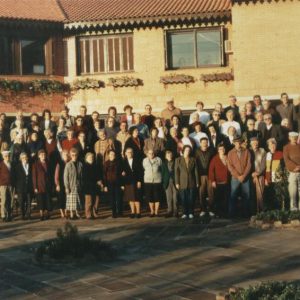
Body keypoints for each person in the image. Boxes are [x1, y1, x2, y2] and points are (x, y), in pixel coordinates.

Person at [227, 137, 252, 218]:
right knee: (233, 195)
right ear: (234, 143)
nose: (238, 144)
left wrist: (244, 175)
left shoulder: (246, 151)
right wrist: (238, 176)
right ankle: (232, 214)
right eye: (236, 142)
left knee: (246, 195)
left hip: (245, 177)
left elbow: (249, 165)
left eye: (240, 142)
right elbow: (230, 166)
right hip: (235, 178)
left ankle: (246, 214)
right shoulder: (230, 153)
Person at [175, 145, 199, 219]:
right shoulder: (178, 160)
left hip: (192, 181)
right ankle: (185, 212)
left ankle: (191, 212)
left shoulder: (193, 159)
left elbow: (196, 171)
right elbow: (176, 172)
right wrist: (177, 182)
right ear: (183, 151)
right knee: (183, 198)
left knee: (191, 198)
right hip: (182, 182)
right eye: (186, 150)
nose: (187, 152)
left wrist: (197, 181)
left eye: (189, 150)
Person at [209, 143, 230, 218]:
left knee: (226, 198)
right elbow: (211, 171)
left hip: (227, 181)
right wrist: (213, 181)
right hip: (218, 182)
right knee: (218, 199)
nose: (222, 150)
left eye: (223, 149)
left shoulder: (227, 157)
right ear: (218, 150)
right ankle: (218, 213)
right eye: (220, 149)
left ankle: (225, 213)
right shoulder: (215, 159)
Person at [195, 137, 215, 217]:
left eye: (206, 142)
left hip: (210, 175)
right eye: (203, 142)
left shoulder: (211, 151)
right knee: (201, 193)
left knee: (211, 193)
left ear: (208, 143)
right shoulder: (196, 151)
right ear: (200, 143)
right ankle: (203, 209)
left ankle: (211, 209)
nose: (204, 144)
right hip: (200, 175)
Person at [121, 148, 143, 218]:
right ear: (125, 153)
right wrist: (122, 174)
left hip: (135, 181)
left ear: (132, 153)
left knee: (136, 197)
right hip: (127, 181)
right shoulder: (123, 162)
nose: (129, 153)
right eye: (128, 152)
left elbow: (140, 171)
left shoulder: (137, 160)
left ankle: (138, 212)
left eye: (130, 152)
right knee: (130, 198)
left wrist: (139, 181)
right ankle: (132, 212)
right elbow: (121, 172)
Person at [265, 138, 284, 210]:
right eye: (270, 146)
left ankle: (278, 211)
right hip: (269, 179)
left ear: (276, 146)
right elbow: (265, 168)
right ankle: (270, 212)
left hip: (278, 179)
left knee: (278, 196)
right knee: (270, 196)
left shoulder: (280, 154)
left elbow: (283, 166)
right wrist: (265, 179)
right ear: (268, 147)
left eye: (274, 145)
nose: (272, 147)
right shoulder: (267, 155)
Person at [32, 149, 51, 221]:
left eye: (44, 155)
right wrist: (35, 187)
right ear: (39, 156)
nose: (43, 156)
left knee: (47, 200)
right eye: (42, 155)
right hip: (39, 185)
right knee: (41, 201)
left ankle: (47, 214)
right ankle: (41, 215)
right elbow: (34, 176)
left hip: (47, 185)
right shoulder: (35, 164)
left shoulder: (48, 163)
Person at [64, 148, 83, 220]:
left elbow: (81, 175)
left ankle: (77, 213)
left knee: (77, 200)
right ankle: (72, 214)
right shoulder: (68, 165)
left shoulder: (80, 164)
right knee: (71, 200)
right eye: (73, 155)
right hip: (71, 185)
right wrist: (67, 187)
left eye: (75, 155)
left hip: (78, 184)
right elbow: (65, 177)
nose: (74, 156)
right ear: (70, 156)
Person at [143, 149, 163, 217]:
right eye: (149, 153)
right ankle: (152, 211)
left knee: (157, 197)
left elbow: (161, 168)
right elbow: (144, 168)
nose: (151, 154)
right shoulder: (144, 160)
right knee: (150, 197)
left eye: (152, 153)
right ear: (147, 154)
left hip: (157, 180)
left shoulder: (159, 160)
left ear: (154, 154)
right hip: (148, 181)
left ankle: (156, 212)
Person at [82, 152, 102, 219]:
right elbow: (85, 177)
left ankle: (95, 213)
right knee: (89, 202)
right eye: (89, 157)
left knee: (96, 200)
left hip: (96, 186)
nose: (91, 158)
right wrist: (94, 181)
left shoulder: (96, 166)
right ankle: (88, 214)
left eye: (92, 157)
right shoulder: (84, 166)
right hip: (88, 186)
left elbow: (99, 175)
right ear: (86, 158)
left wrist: (99, 180)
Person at [103, 150, 123, 218]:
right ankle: (113, 213)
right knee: (112, 198)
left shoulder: (118, 163)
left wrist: (122, 184)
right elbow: (104, 175)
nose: (112, 155)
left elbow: (121, 174)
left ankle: (119, 212)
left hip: (117, 182)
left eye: (114, 154)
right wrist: (105, 185)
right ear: (108, 155)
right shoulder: (106, 163)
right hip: (109, 183)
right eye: (111, 154)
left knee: (118, 198)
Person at [283, 132, 300, 211]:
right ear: (289, 138)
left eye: (296, 137)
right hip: (292, 172)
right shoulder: (286, 147)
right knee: (293, 191)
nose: (294, 139)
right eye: (292, 137)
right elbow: (286, 160)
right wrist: (294, 167)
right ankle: (293, 209)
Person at [249, 137, 266, 213]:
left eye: (256, 142)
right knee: (252, 195)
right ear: (251, 144)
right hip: (250, 176)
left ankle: (261, 211)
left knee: (260, 194)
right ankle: (253, 212)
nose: (255, 144)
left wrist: (258, 173)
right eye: (253, 143)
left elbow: (264, 163)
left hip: (260, 175)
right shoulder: (248, 151)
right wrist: (252, 174)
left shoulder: (262, 151)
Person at [14, 152, 33, 220]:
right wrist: (16, 190)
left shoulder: (30, 165)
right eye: (23, 158)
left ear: (27, 158)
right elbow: (15, 179)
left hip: (29, 187)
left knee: (28, 202)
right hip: (20, 188)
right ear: (20, 159)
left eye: (25, 157)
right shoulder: (17, 167)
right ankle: (22, 215)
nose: (24, 159)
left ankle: (29, 214)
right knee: (21, 202)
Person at [162, 150, 178, 218]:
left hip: (175, 181)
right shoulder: (164, 163)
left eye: (170, 155)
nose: (169, 156)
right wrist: (163, 182)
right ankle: (169, 211)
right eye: (168, 155)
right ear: (166, 156)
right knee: (169, 197)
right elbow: (162, 173)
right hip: (167, 182)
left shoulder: (175, 162)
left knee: (175, 197)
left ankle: (175, 211)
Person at [54, 150, 69, 219]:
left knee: (67, 198)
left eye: (66, 154)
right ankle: (62, 212)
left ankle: (66, 212)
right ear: (62, 156)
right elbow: (56, 175)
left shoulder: (69, 163)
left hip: (68, 183)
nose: (66, 156)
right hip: (61, 183)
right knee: (61, 198)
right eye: (64, 155)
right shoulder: (59, 164)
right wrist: (57, 184)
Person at [0, 151, 13, 222]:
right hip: (3, 185)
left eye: (8, 156)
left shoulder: (11, 164)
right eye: (6, 156)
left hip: (10, 184)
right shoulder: (1, 164)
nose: (7, 157)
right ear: (3, 157)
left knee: (10, 200)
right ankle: (3, 215)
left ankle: (10, 214)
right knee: (4, 200)